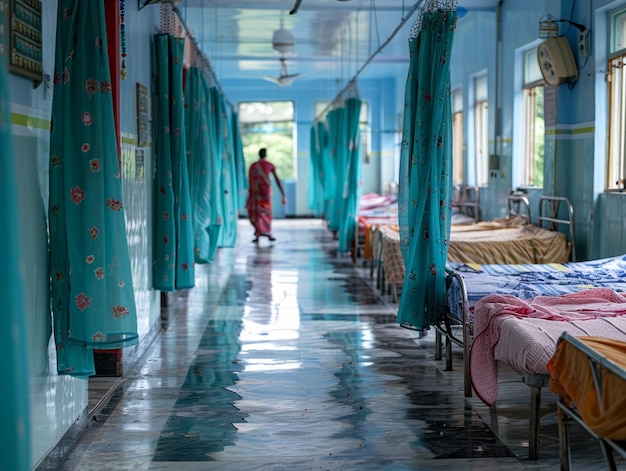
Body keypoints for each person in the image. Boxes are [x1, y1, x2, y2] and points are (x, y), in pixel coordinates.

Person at [246, 148, 287, 243]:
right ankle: (266, 233)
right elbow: (277, 180)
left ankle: (258, 234)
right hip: (266, 193)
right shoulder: (269, 165)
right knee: (266, 212)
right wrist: (283, 194)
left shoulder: (253, 166)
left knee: (257, 212)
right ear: (266, 155)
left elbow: (250, 181)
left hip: (256, 192)